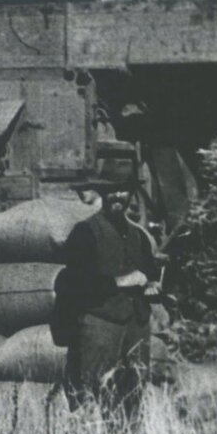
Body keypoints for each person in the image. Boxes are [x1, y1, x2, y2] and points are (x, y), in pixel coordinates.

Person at [57, 170, 160, 417]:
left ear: (130, 194)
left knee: (133, 397)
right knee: (93, 395)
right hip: (100, 326)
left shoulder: (138, 236)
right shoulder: (85, 232)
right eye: (111, 190)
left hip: (136, 327)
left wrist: (152, 285)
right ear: (102, 193)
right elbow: (74, 283)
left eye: (123, 190)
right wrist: (120, 281)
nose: (117, 196)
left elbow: (150, 272)